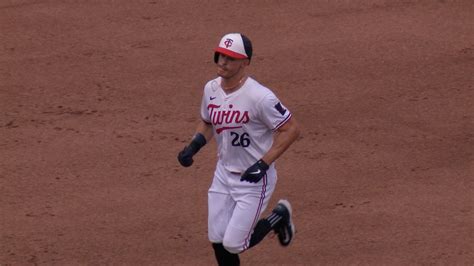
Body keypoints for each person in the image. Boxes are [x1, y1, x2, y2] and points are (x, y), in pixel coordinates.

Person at [177, 33, 300, 265]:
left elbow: (291, 129)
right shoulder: (211, 89)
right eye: (220, 55)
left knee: (234, 243)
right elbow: (208, 121)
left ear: (245, 63)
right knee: (217, 239)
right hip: (223, 174)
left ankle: (279, 216)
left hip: (254, 180)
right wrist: (193, 146)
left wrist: (263, 164)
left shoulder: (260, 97)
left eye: (231, 58)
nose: (223, 61)